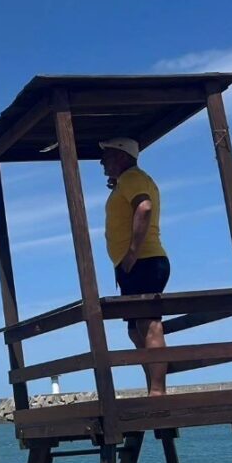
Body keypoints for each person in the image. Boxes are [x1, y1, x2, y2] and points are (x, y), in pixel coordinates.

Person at [100, 137, 169, 396]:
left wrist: (131, 253)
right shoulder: (128, 180)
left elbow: (144, 207)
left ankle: (157, 392)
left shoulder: (132, 177)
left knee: (148, 324)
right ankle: (153, 385)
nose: (101, 162)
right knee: (135, 329)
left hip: (144, 261)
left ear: (121, 156)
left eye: (106, 156)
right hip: (136, 264)